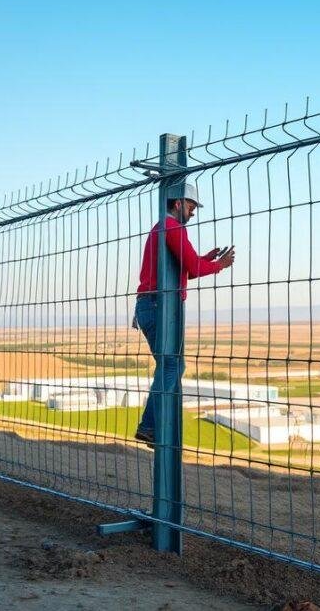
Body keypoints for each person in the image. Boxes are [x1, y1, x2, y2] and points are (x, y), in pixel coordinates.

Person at [133, 182, 235, 444]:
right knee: (172, 365)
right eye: (191, 206)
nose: (193, 212)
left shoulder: (162, 228)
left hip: (151, 305)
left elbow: (185, 267)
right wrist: (219, 265)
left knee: (169, 365)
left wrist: (207, 259)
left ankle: (153, 425)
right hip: (159, 306)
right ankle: (151, 426)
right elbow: (194, 268)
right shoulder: (173, 227)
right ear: (178, 204)